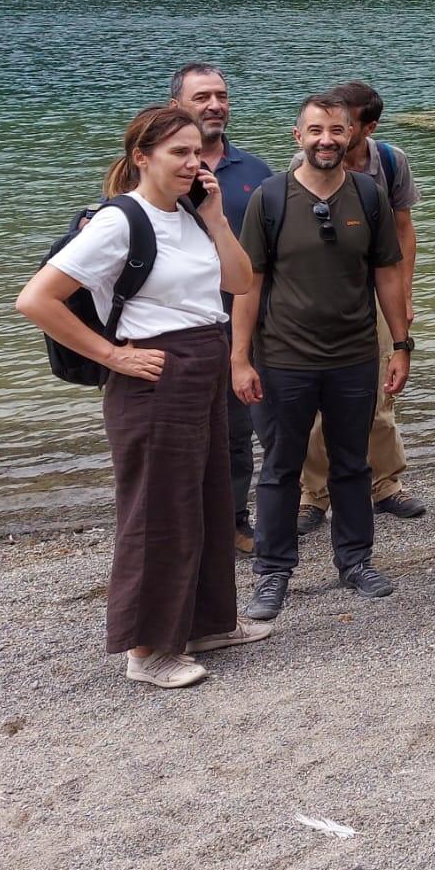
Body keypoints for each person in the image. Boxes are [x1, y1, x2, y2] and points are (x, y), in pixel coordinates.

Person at [15, 105, 267, 689]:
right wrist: (113, 357)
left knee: (205, 499)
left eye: (197, 152)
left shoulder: (190, 215)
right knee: (158, 510)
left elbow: (240, 282)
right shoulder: (118, 221)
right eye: (177, 152)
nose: (191, 162)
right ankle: (147, 649)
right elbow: (36, 300)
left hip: (201, 363)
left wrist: (218, 219)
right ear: (141, 158)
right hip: (153, 376)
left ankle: (206, 623)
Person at [234, 93, 409, 621]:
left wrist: (400, 344)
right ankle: (273, 571)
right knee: (281, 467)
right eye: (315, 131)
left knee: (352, 463)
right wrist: (239, 359)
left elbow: (386, 273)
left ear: (351, 135)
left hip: (354, 354)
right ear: (298, 136)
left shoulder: (368, 196)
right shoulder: (270, 198)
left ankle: (355, 561)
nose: (326, 140)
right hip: (284, 357)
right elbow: (248, 284)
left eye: (336, 130)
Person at [298, 79, 425, 532]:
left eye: (345, 123)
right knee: (316, 401)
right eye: (325, 123)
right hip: (325, 293)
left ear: (368, 126)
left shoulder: (389, 161)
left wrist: (405, 295)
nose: (333, 133)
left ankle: (385, 484)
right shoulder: (308, 159)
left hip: (378, 288)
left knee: (379, 392)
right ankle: (314, 494)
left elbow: (405, 229)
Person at [169, 61, 273, 555]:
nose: (214, 105)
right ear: (176, 107)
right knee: (176, 437)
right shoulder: (152, 170)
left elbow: (271, 255)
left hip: (239, 324)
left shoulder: (254, 172)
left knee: (237, 434)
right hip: (171, 328)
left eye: (221, 96)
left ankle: (234, 522)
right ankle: (180, 528)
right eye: (202, 97)